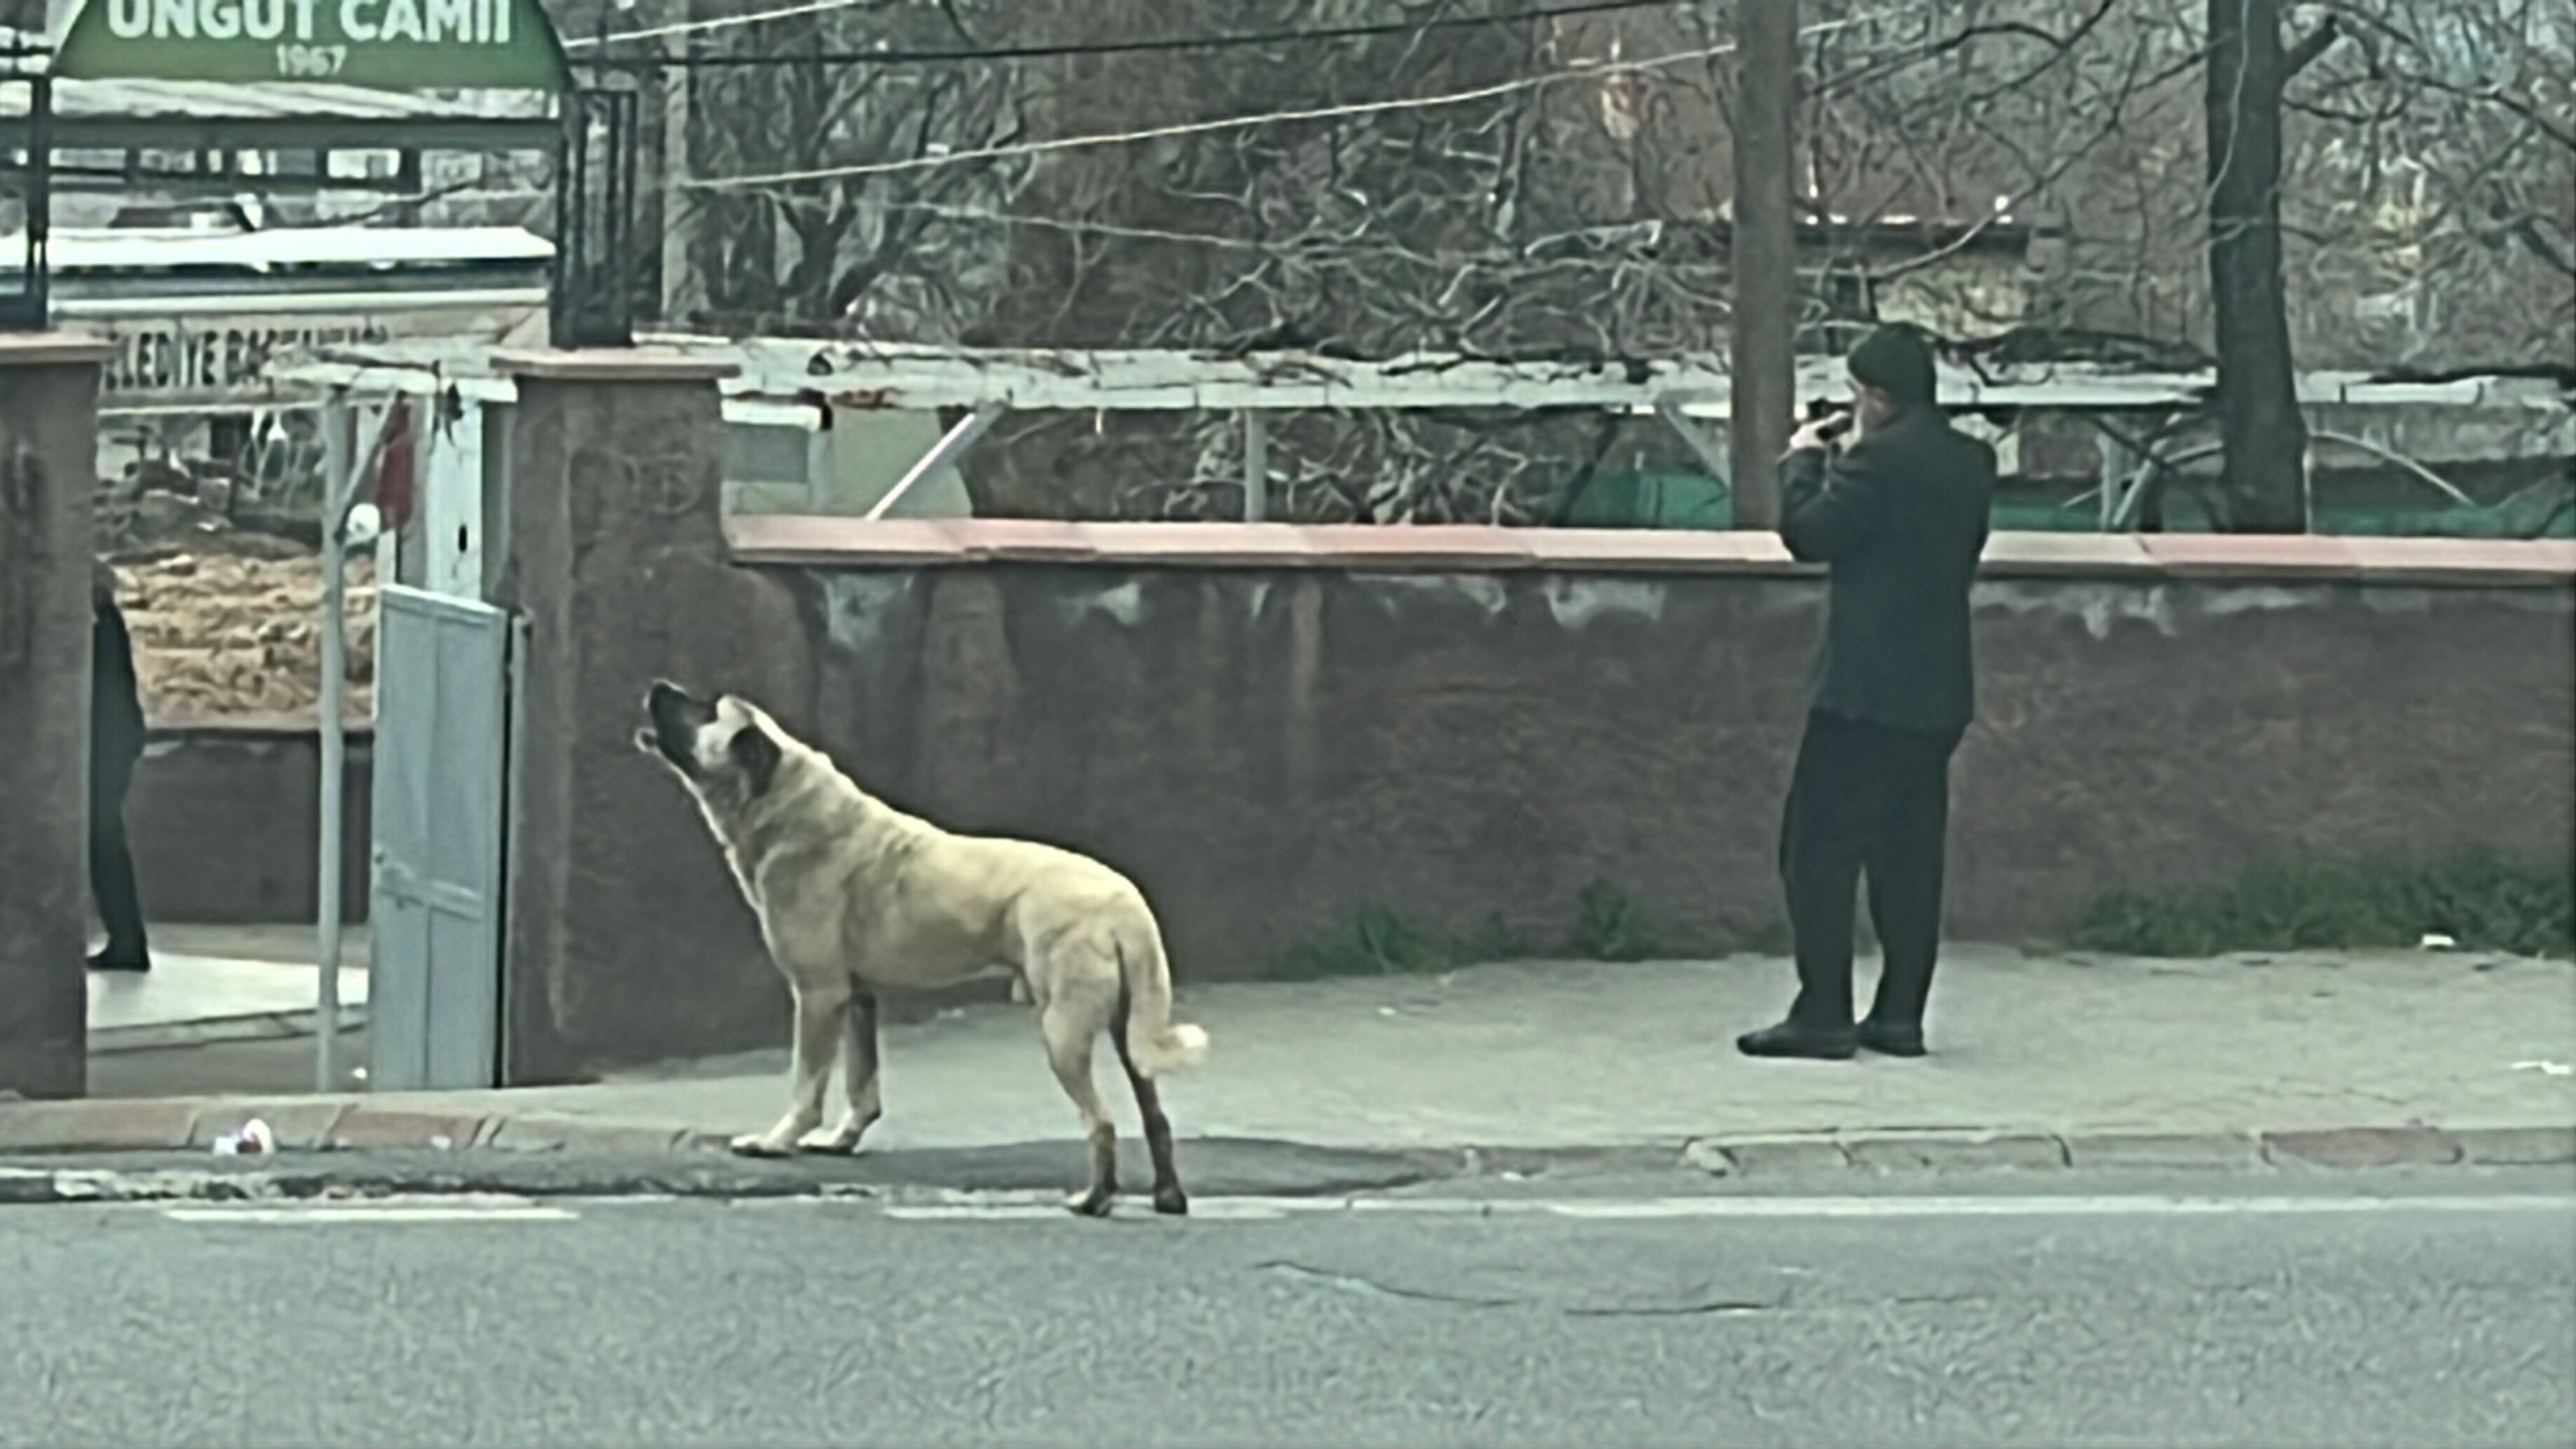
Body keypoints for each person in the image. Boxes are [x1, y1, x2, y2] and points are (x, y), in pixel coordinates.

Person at [1738, 324, 1993, 1060]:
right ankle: (1899, 1016)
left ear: (1878, 397)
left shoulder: (1877, 461)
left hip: (1863, 693)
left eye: (1858, 395)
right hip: (1938, 690)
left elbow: (1810, 534)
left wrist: (1803, 461)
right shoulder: (1970, 462)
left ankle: (1822, 1013)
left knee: (1816, 848)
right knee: (1909, 856)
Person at [88, 560, 152, 973]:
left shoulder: (99, 625)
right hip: (111, 741)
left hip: (106, 743)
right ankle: (126, 938)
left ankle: (127, 940)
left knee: (102, 837)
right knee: (102, 838)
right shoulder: (104, 621)